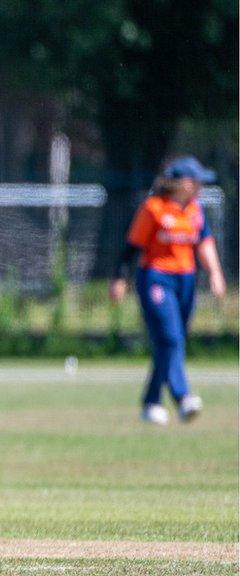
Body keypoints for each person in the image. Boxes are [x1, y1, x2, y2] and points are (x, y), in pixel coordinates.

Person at [110, 155, 226, 425]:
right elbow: (132, 246)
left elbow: (204, 241)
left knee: (171, 342)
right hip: (155, 278)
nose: (200, 186)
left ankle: (151, 401)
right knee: (171, 337)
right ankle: (182, 397)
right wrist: (119, 278)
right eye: (195, 180)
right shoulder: (154, 208)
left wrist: (216, 273)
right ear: (181, 183)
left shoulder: (195, 210)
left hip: (185, 279)